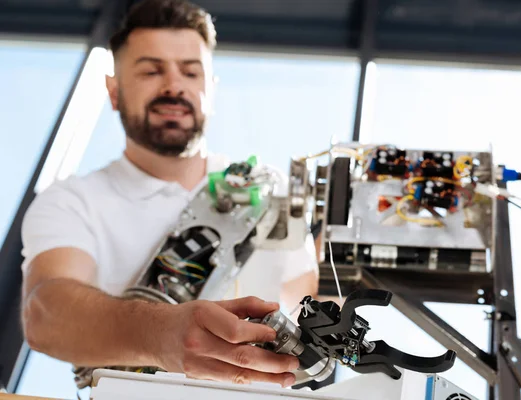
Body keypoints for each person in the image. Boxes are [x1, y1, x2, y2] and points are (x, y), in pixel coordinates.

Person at [19, 0, 319, 389]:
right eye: (151, 70)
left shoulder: (273, 191)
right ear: (114, 91)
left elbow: (306, 303)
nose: (174, 85)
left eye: (190, 72)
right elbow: (45, 315)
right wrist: (160, 335)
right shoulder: (73, 202)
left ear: (210, 88)